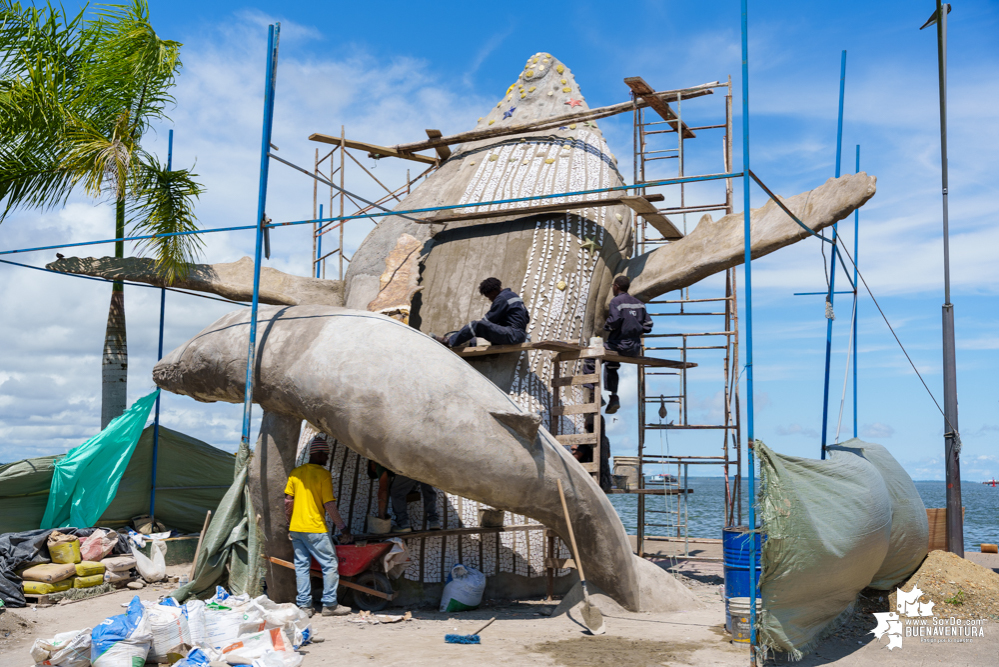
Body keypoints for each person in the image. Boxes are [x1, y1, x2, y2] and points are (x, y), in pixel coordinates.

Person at [284, 435, 353, 618]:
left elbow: (288, 501)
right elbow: (329, 504)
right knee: (330, 564)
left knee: (301, 566)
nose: (327, 458)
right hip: (315, 528)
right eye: (326, 455)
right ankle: (330, 605)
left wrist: (289, 523)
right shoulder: (323, 474)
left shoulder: (295, 473)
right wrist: (343, 528)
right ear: (319, 454)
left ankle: (305, 606)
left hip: (296, 529)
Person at [586, 275, 653, 414]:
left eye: (612, 286)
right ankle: (614, 396)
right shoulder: (639, 304)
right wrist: (635, 328)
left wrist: (607, 327)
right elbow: (648, 325)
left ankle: (594, 393)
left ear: (616, 286)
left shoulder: (616, 301)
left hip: (619, 345)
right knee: (611, 365)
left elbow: (614, 320)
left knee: (589, 357)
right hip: (635, 347)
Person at [436, 277, 530, 348]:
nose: (490, 299)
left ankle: (449, 341)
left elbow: (488, 320)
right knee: (476, 337)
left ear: (493, 292)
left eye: (489, 297)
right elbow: (527, 318)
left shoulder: (501, 298)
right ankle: (466, 342)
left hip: (512, 335)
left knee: (476, 325)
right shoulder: (513, 295)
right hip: (516, 334)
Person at [369, 462, 442, 533]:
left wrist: (381, 515)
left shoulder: (379, 465)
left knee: (396, 492)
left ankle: (403, 524)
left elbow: (383, 489)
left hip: (410, 465)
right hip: (426, 462)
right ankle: (434, 521)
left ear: (372, 467)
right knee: (427, 488)